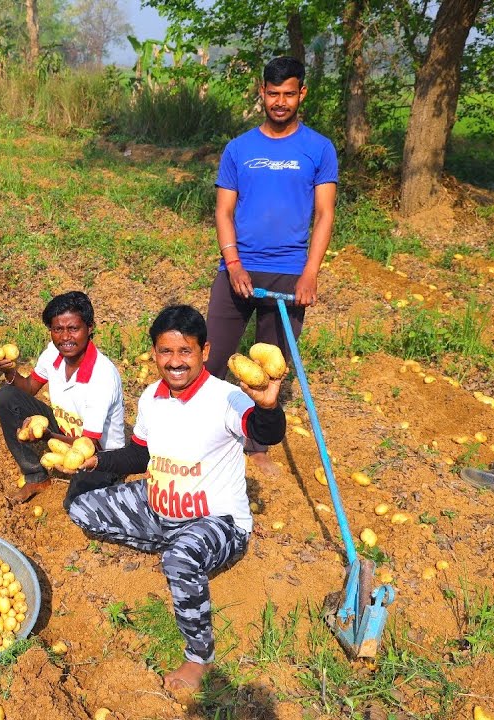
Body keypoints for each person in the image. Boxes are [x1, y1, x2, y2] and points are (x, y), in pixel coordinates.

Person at [68, 305, 286, 693]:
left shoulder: (227, 398)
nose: (175, 362)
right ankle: (171, 544)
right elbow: (140, 454)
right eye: (165, 352)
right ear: (154, 353)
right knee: (81, 508)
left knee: (181, 556)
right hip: (159, 504)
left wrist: (268, 406)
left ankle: (199, 658)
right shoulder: (152, 396)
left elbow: (264, 433)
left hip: (218, 523)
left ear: (205, 351)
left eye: (185, 351)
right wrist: (96, 461)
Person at [209, 55, 336, 473]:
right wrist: (235, 264)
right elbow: (224, 212)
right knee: (212, 358)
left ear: (302, 94)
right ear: (262, 93)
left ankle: (257, 445)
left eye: (288, 94)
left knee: (272, 368)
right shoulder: (239, 148)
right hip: (238, 270)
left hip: (288, 273)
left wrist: (310, 273)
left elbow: (325, 214)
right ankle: (202, 431)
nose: (280, 102)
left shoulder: (318, 148)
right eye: (273, 93)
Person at [0, 291, 126, 504]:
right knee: (6, 397)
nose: (65, 338)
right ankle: (36, 477)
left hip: (98, 453)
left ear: (90, 328)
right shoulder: (53, 354)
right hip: (65, 431)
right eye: (58, 329)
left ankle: (109, 485)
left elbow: (86, 445)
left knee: (75, 503)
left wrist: (46, 436)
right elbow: (28, 387)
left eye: (73, 329)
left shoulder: (102, 377)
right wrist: (9, 372)